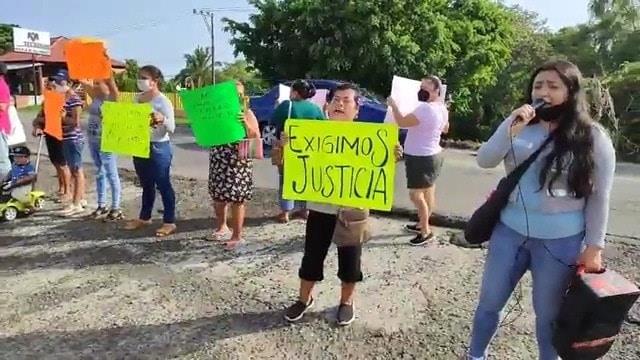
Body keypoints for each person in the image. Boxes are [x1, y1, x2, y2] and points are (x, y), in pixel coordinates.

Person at [465, 60, 616, 360]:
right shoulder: (520, 126)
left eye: (553, 86)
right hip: (509, 232)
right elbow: (485, 160)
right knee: (489, 303)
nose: (543, 91)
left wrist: (594, 246)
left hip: (560, 243)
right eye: (538, 85)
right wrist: (509, 127)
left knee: (548, 315)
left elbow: (600, 197)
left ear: (571, 92)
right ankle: (475, 355)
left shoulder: (593, 138)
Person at [282, 83, 404, 326]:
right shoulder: (310, 134)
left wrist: (393, 155)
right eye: (336, 99)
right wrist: (286, 146)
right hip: (320, 208)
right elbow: (290, 166)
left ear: (357, 109)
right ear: (327, 105)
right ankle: (304, 299)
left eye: (346, 100)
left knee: (350, 261)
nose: (340, 104)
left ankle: (347, 302)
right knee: (312, 257)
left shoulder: (370, 138)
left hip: (353, 211)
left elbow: (379, 167)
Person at [387, 75, 449, 245]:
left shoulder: (425, 109)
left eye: (426, 89)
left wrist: (393, 106)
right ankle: (423, 223)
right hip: (434, 154)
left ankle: (426, 231)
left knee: (415, 195)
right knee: (428, 191)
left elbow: (401, 122)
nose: (421, 92)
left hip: (420, 156)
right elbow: (445, 129)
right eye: (421, 88)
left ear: (437, 91)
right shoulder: (441, 108)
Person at [123, 65, 177, 237]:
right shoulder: (136, 99)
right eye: (139, 77)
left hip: (158, 146)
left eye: (144, 77)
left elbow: (172, 127)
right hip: (139, 145)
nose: (140, 80)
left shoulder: (163, 101)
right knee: (146, 184)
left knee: (163, 184)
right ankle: (144, 217)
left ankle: (169, 221)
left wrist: (163, 119)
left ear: (154, 81)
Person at [207, 81, 261, 250]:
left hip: (239, 161)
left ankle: (237, 236)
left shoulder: (247, 112)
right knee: (218, 195)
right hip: (219, 158)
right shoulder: (217, 112)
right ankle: (221, 227)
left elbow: (256, 136)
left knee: (238, 198)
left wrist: (245, 122)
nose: (236, 97)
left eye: (239, 94)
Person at [270, 80, 325, 223]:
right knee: (305, 178)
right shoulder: (315, 109)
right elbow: (323, 127)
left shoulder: (286, 105)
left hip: (288, 148)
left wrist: (277, 106)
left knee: (286, 180)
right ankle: (305, 210)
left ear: (295, 92)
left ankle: (285, 212)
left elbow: (272, 121)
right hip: (308, 150)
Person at [80, 76, 123, 221]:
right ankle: (101, 204)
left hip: (108, 141)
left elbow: (115, 91)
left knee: (111, 173)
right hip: (94, 140)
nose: (95, 86)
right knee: (99, 172)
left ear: (107, 85)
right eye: (95, 83)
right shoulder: (97, 96)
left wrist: (109, 77)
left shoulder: (111, 98)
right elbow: (85, 84)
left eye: (99, 83)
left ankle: (116, 207)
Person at [49, 70, 86, 217]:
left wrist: (63, 117)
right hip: (65, 137)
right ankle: (80, 198)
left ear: (68, 83)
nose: (57, 84)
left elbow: (76, 122)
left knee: (76, 171)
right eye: (56, 82)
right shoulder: (62, 98)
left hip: (73, 138)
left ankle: (76, 204)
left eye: (60, 82)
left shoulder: (74, 99)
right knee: (74, 169)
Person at [32, 79, 72, 203]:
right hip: (49, 134)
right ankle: (61, 187)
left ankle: (68, 191)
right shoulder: (47, 102)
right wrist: (37, 127)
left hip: (60, 135)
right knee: (55, 162)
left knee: (63, 164)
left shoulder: (65, 101)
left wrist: (62, 118)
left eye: (52, 87)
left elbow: (72, 122)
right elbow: (39, 117)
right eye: (48, 87)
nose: (50, 89)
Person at [0, 62, 12, 180]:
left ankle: (6, 186)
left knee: (2, 159)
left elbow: (3, 106)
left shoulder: (1, 85)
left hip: (1, 126)